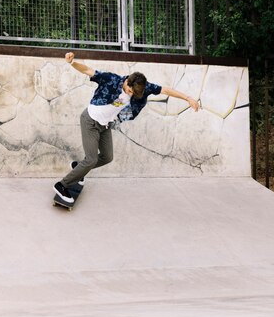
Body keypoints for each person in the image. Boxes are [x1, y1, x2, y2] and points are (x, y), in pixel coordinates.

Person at [53, 52, 201, 204]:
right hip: (90, 121)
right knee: (91, 159)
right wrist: (71, 63)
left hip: (105, 125)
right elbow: (88, 70)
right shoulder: (111, 79)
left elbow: (166, 90)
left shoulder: (143, 87)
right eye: (130, 91)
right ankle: (62, 184)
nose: (131, 95)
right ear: (127, 82)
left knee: (107, 157)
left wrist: (188, 98)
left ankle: (79, 168)